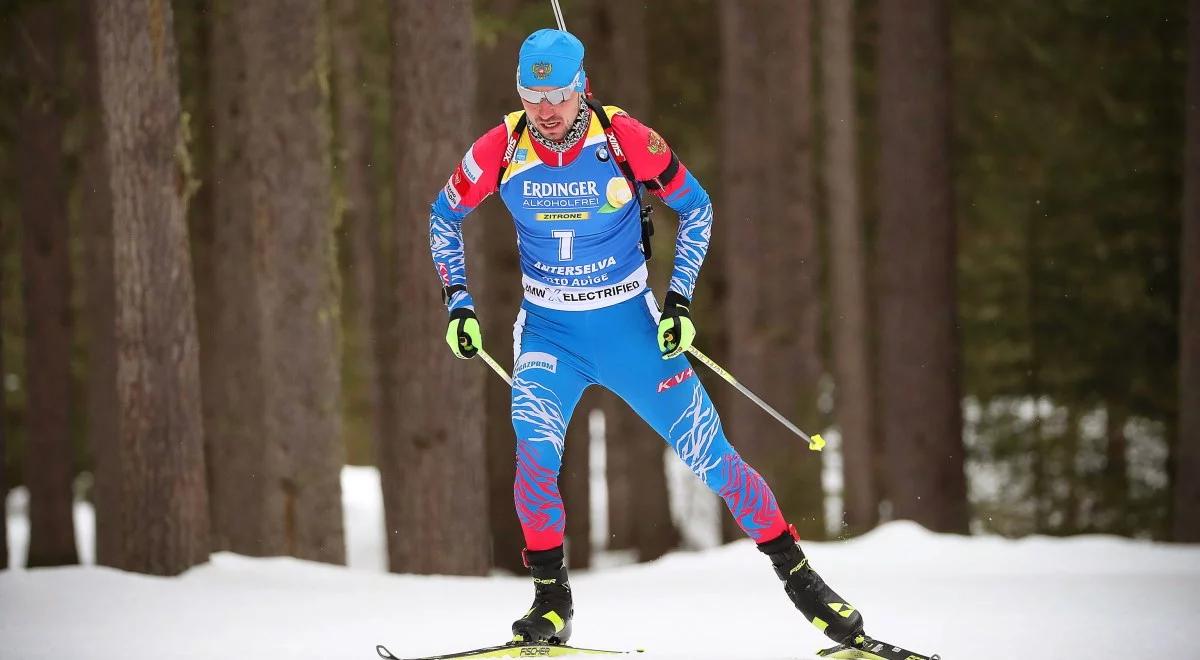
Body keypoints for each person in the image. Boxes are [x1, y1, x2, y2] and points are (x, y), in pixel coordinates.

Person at [429, 28, 866, 650]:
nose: (545, 110)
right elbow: (443, 216)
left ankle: (801, 579)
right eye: (532, 95)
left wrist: (680, 300)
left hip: (632, 330)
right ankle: (552, 602)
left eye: (557, 94)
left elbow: (699, 208)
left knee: (713, 458)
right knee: (534, 462)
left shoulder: (625, 139)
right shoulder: (501, 149)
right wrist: (459, 305)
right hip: (550, 334)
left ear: (582, 87)